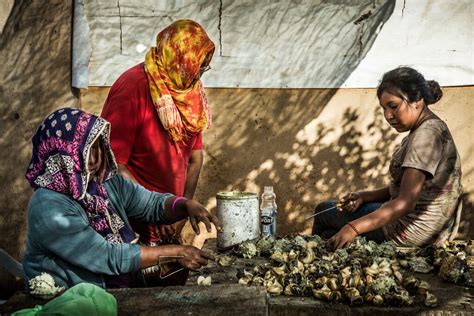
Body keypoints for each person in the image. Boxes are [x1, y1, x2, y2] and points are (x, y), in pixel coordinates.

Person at [22, 108, 222, 289]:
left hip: (117, 284)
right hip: (71, 297)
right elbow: (107, 256)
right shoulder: (48, 207)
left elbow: (150, 203)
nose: (94, 158)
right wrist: (176, 252)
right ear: (61, 155)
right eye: (84, 152)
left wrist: (185, 205)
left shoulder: (104, 182)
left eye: (97, 147)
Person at [312, 67, 462, 250]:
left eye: (394, 106)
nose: (388, 116)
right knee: (331, 237)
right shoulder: (430, 127)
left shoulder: (425, 136)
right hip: (430, 227)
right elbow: (406, 186)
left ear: (417, 101)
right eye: (384, 108)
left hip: (412, 229)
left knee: (323, 212)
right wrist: (365, 196)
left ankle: (313, 263)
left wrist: (353, 228)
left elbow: (406, 202)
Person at [101, 19, 214, 259]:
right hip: (133, 222)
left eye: (203, 68)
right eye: (197, 67)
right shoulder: (132, 87)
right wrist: (155, 211)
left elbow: (195, 158)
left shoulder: (189, 92)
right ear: (178, 58)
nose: (198, 76)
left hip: (170, 219)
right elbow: (113, 164)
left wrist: (181, 209)